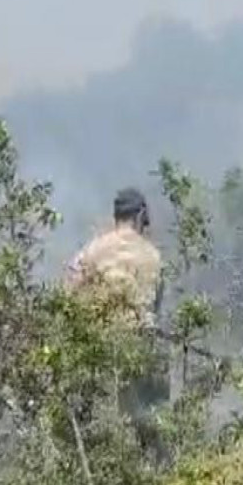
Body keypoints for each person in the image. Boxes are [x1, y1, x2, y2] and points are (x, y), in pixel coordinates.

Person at [66, 188, 168, 438]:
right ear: (141, 215)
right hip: (141, 346)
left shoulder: (94, 249)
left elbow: (70, 291)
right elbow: (154, 306)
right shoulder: (153, 256)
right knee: (147, 418)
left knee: (98, 418)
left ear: (116, 216)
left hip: (100, 346)